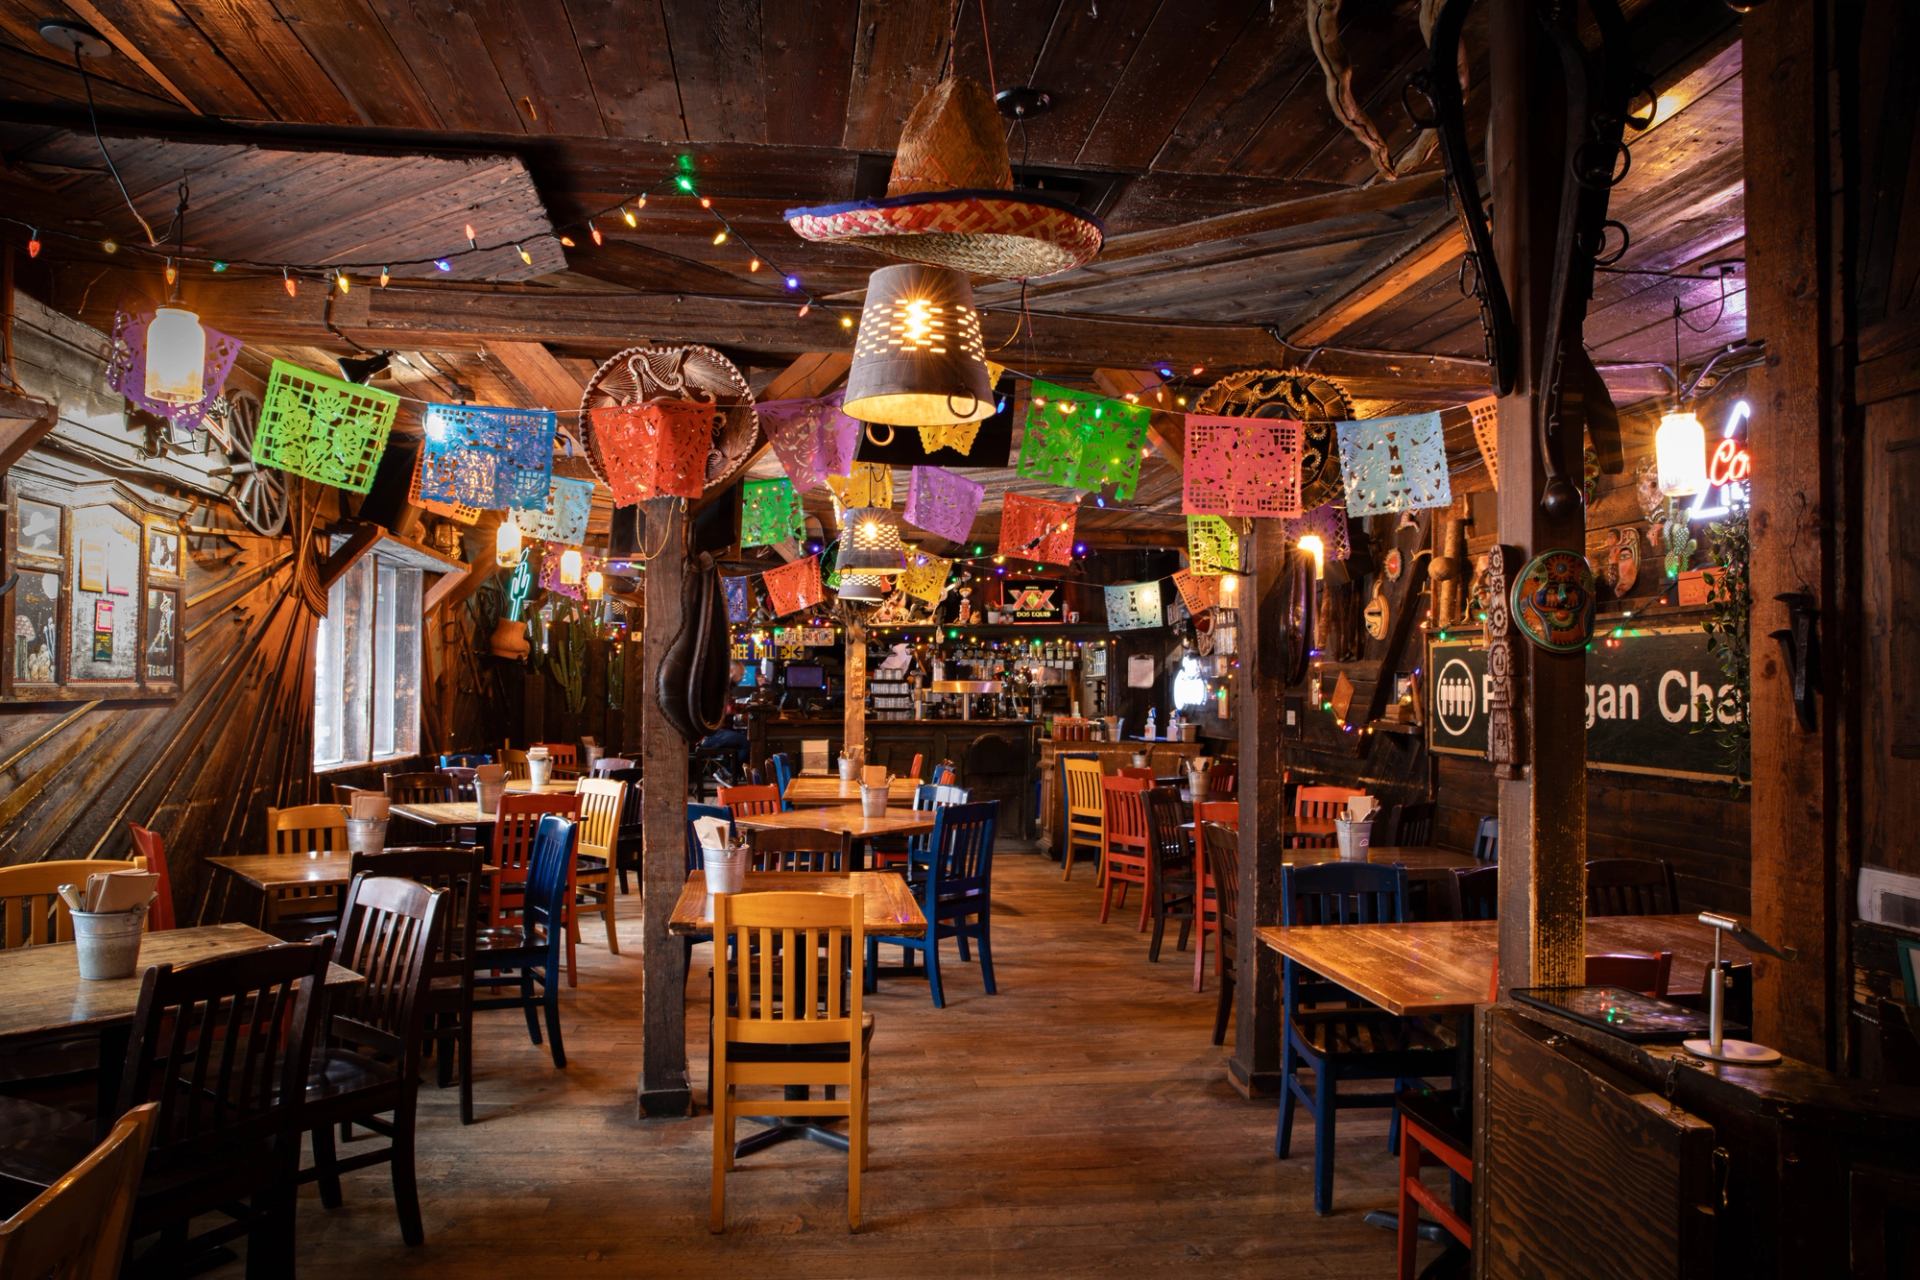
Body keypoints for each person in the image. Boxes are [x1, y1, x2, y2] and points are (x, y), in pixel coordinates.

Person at [698, 663, 751, 784]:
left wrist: (745, 707)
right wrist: (744, 711)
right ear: (732, 672)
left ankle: (735, 773)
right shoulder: (721, 687)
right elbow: (728, 710)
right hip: (710, 734)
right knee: (747, 741)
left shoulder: (723, 686)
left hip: (715, 731)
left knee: (746, 735)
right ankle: (726, 773)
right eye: (741, 674)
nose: (742, 678)